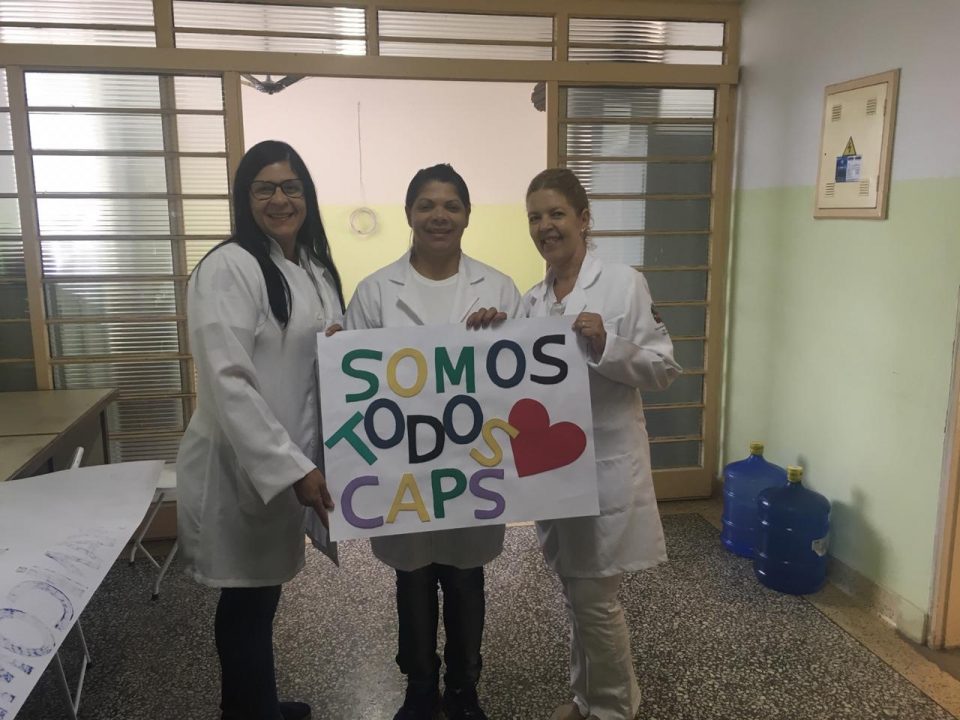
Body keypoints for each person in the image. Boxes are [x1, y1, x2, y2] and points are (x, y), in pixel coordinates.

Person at [345, 163, 522, 720]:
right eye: (426, 205)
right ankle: (420, 687)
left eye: (451, 205)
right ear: (408, 215)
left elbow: (518, 382)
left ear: (467, 216)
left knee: (467, 578)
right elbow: (352, 386)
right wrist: (336, 351)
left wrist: (502, 334)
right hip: (402, 466)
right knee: (413, 579)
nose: (438, 216)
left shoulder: (499, 288)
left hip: (471, 465)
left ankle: (464, 688)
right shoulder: (375, 291)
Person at [176, 140, 345, 720]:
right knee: (245, 599)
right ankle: (251, 711)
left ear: (307, 196)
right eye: (265, 188)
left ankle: (254, 704)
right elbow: (229, 382)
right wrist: (291, 466)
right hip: (241, 467)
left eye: (291, 187)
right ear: (245, 198)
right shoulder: (229, 267)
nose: (280, 199)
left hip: (289, 459)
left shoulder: (313, 268)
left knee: (262, 595)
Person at [524, 168, 681, 720]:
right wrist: (490, 332)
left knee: (594, 599)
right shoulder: (532, 301)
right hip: (553, 471)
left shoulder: (623, 283)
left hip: (603, 468)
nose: (546, 227)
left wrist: (607, 344)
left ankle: (614, 709)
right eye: (535, 218)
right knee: (577, 593)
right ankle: (586, 697)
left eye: (557, 214)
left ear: (584, 219)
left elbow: (663, 368)